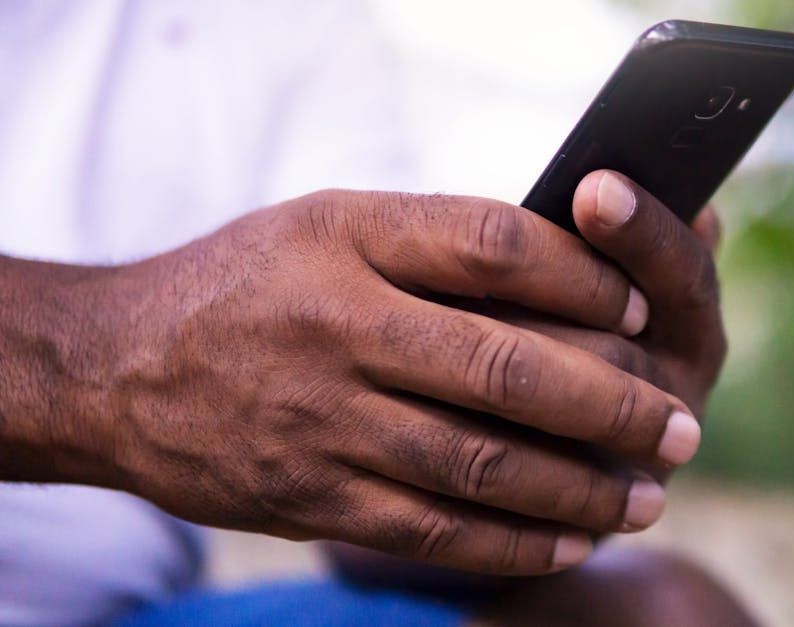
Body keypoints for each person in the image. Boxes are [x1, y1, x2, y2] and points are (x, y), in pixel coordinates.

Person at [0, 2, 753, 624]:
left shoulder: (296, 26)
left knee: (668, 612)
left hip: (123, 610)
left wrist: (525, 447)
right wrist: (108, 363)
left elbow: (350, 497)